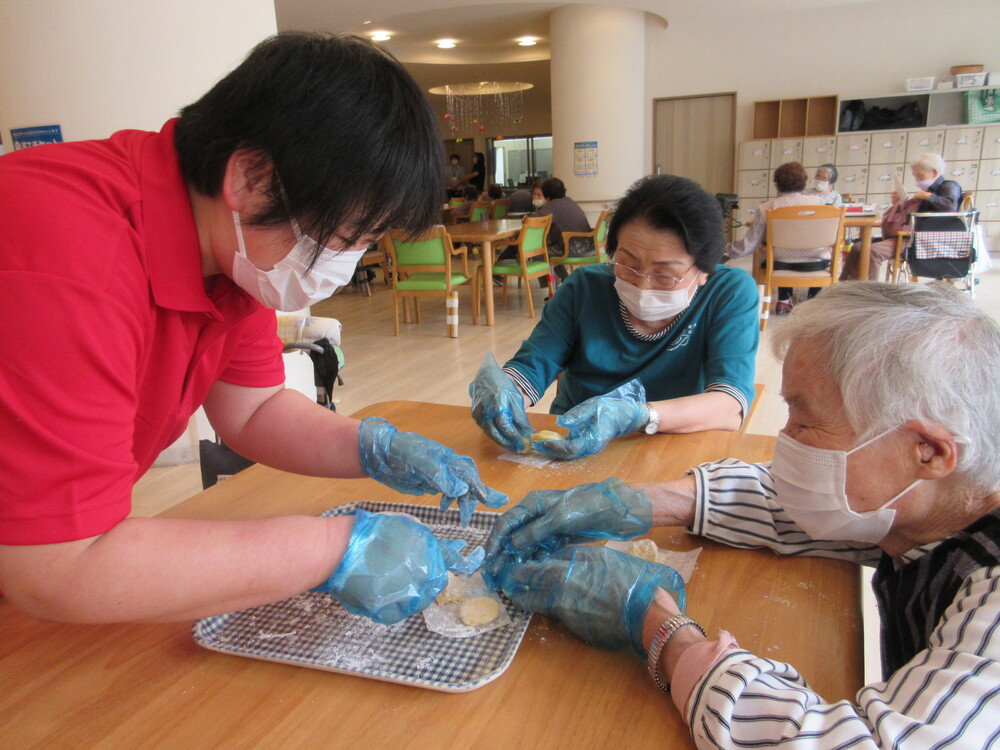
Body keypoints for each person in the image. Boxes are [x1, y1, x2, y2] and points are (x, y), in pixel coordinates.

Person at [0, 33, 505, 626]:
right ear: (251, 176)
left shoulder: (230, 254)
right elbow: (60, 568)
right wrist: (334, 550)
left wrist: (374, 449)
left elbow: (255, 410)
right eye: (347, 236)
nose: (349, 261)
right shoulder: (66, 255)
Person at [486, 282, 1000, 748]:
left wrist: (655, 622)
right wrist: (638, 500)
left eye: (805, 423)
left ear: (929, 452)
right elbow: (790, 503)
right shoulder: (931, 505)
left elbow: (848, 741)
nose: (784, 448)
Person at [470, 174, 759, 460]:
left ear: (704, 271)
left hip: (673, 443)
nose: (642, 285)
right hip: (574, 444)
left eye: (665, 274)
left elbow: (730, 404)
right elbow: (532, 367)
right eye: (627, 264)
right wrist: (504, 393)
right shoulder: (584, 287)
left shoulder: (728, 293)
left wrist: (641, 415)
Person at [725, 161, 829, 315]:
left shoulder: (767, 208)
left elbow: (749, 245)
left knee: (777, 251)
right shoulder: (820, 204)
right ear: (804, 182)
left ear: (777, 184)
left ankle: (784, 301)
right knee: (814, 250)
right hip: (817, 264)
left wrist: (727, 249)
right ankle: (813, 300)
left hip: (780, 264)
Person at [841, 153, 962, 281]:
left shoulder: (949, 185)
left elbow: (951, 207)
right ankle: (844, 285)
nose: (918, 181)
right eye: (916, 176)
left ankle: (870, 290)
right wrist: (899, 203)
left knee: (873, 251)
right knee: (858, 247)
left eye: (920, 176)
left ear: (934, 172)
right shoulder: (927, 191)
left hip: (920, 240)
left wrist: (927, 196)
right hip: (907, 235)